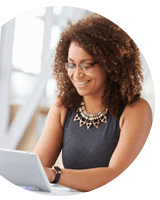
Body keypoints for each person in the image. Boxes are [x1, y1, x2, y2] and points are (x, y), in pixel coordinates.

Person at [33, 13, 153, 192]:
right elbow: (36, 167)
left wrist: (55, 175)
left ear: (110, 64)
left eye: (86, 65)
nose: (77, 74)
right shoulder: (63, 106)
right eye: (71, 65)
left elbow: (115, 174)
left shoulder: (136, 110)